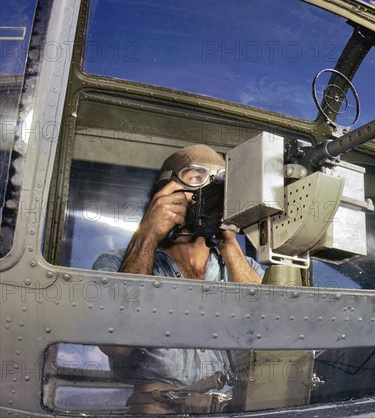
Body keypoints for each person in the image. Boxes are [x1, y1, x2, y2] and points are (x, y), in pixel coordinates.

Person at [92, 144, 264, 414]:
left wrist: (228, 240)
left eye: (219, 184)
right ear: (165, 190)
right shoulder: (116, 264)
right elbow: (116, 344)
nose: (207, 193)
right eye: (196, 178)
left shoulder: (243, 266)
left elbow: (268, 334)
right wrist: (147, 233)